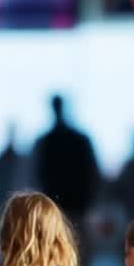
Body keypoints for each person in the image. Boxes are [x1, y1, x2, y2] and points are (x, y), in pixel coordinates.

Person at [34, 95, 101, 232]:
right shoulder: (80, 140)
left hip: (64, 206)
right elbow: (93, 174)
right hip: (71, 206)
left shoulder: (45, 142)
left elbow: (37, 175)